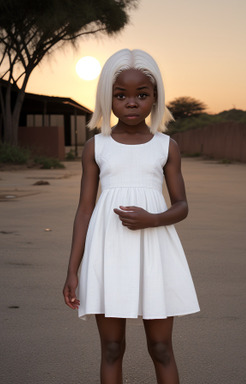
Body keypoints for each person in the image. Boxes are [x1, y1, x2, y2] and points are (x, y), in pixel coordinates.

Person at [63, 49, 200, 384]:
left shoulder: (167, 146)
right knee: (111, 347)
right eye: (120, 95)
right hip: (107, 253)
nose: (132, 103)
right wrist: (72, 269)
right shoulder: (97, 146)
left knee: (161, 347)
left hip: (155, 251)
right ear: (106, 98)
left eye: (142, 95)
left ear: (155, 98)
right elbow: (85, 209)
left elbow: (181, 205)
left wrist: (152, 219)